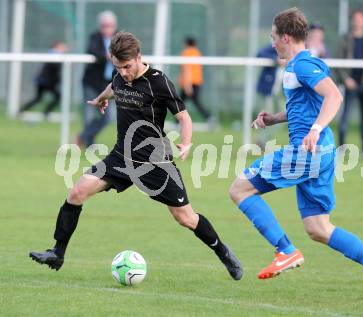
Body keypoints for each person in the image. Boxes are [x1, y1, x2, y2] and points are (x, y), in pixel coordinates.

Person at [29, 32, 242, 281]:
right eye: (118, 67)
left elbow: (183, 116)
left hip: (155, 162)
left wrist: (186, 143)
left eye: (127, 67)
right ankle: (57, 252)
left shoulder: (158, 82)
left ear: (139, 57)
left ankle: (223, 252)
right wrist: (101, 99)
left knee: (185, 217)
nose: (124, 73)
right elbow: (114, 86)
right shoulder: (118, 74)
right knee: (77, 192)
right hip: (121, 157)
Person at [229, 7, 363, 304]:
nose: (272, 43)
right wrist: (274, 119)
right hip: (321, 152)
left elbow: (334, 96)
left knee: (239, 189)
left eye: (273, 37)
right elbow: (304, 106)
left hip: (307, 151)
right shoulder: (298, 66)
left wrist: (315, 129)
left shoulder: (303, 65)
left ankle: (285, 250)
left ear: (286, 37)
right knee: (318, 228)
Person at [337, 9, 363, 149]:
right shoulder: (345, 38)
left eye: (360, 19)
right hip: (350, 83)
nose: (357, 21)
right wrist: (346, 80)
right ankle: (341, 146)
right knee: (345, 118)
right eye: (355, 18)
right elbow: (338, 62)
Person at [77, 11, 118, 147]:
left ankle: (83, 137)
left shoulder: (119, 38)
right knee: (89, 116)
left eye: (109, 25)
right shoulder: (95, 37)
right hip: (92, 83)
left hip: (109, 85)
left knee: (108, 117)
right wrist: (106, 55)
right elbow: (92, 50)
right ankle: (89, 144)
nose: (107, 28)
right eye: (104, 25)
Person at [19, 42, 68, 117]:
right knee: (56, 97)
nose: (64, 48)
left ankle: (22, 110)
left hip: (45, 81)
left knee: (38, 98)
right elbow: (53, 68)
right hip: (46, 81)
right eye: (62, 47)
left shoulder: (54, 54)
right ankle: (45, 112)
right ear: (57, 47)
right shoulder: (54, 55)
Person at [178, 37, 211, 122]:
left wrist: (187, 85)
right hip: (197, 81)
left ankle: (208, 117)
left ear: (186, 43)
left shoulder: (186, 52)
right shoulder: (197, 52)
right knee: (183, 102)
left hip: (189, 82)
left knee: (180, 103)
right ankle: (208, 117)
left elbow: (187, 68)